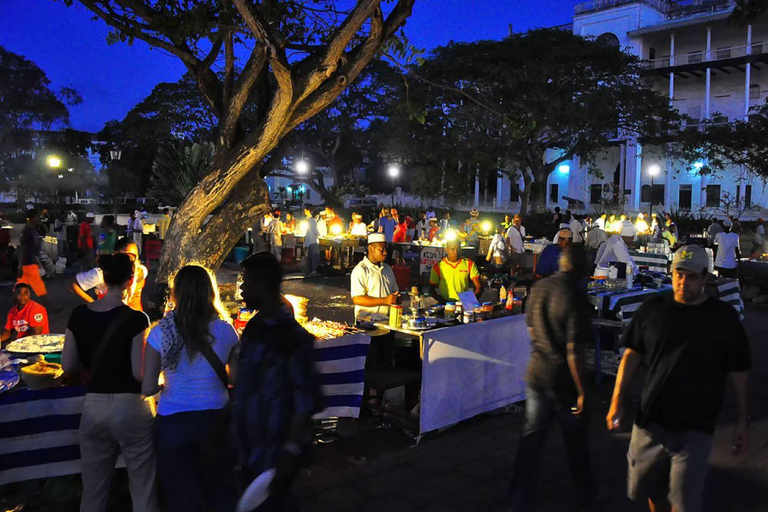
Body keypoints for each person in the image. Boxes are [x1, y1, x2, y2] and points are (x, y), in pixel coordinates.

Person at [606, 245, 751, 512]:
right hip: (650, 423)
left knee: (683, 502)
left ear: (706, 277)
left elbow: (739, 370)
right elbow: (632, 356)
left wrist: (743, 419)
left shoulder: (723, 318)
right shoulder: (653, 309)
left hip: (695, 428)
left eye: (691, 276)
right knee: (652, 491)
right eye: (678, 274)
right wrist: (617, 400)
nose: (682, 282)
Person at [61, 253, 158, 512]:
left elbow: (67, 365)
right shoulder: (137, 319)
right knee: (143, 489)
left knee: (93, 492)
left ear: (103, 279)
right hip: (132, 408)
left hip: (94, 408)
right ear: (130, 281)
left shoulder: (79, 315)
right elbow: (139, 373)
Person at [142, 265, 239, 512]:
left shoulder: (159, 333)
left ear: (176, 294)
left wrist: (171, 381)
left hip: (173, 421)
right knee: (218, 489)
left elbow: (149, 386)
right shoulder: (226, 330)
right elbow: (236, 379)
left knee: (181, 495)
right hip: (215, 418)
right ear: (210, 292)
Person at [509, 247, 599, 511]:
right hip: (563, 381)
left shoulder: (540, 288)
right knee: (576, 442)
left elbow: (530, 327)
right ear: (582, 269)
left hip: (537, 372)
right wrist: (583, 390)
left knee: (531, 441)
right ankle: (586, 492)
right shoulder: (575, 296)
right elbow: (574, 351)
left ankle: (518, 500)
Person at [233, 252, 324, 510]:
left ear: (261, 286)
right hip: (251, 449)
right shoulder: (253, 329)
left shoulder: (293, 337)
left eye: (246, 281)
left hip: (276, 454)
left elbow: (306, 401)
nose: (241, 288)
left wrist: (291, 450)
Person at [71, 238, 148, 311]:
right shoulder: (102, 273)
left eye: (136, 256)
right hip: (110, 317)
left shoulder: (141, 270)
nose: (133, 260)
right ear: (116, 255)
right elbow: (73, 284)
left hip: (134, 317)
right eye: (129, 257)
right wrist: (93, 303)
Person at [350, 233, 400, 320]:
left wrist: (396, 298)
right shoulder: (361, 270)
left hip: (387, 322)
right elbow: (357, 299)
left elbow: (395, 291)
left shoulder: (387, 269)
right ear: (371, 249)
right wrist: (385, 300)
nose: (385, 253)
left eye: (386, 249)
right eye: (381, 250)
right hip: (367, 323)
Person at [429, 239, 482, 303]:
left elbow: (479, 287)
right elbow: (431, 290)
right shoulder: (438, 266)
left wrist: (469, 301)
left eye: (458, 249)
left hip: (463, 303)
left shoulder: (469, 264)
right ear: (446, 249)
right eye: (453, 249)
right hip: (445, 304)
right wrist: (443, 302)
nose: (456, 252)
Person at [17, 209, 48, 300]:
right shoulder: (28, 231)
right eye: (37, 216)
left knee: (21, 288)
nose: (39, 218)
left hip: (30, 262)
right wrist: (20, 265)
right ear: (33, 217)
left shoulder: (32, 230)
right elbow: (23, 248)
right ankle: (50, 307)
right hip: (28, 263)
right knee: (39, 288)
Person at [302, 206, 320, 277]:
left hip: (308, 241)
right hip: (313, 241)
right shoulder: (313, 221)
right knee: (314, 256)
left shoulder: (308, 220)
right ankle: (313, 271)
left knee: (309, 257)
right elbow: (316, 231)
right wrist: (319, 234)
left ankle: (308, 270)